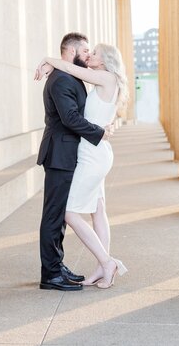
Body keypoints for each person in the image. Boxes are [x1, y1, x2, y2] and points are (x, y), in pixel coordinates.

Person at [35, 41, 129, 289]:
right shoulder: (105, 80)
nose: (90, 55)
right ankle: (103, 268)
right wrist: (51, 64)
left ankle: (106, 262)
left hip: (92, 153)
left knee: (69, 212)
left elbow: (74, 71)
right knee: (98, 210)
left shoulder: (104, 77)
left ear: (105, 60)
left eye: (94, 53)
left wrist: (47, 60)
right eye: (87, 51)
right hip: (95, 151)